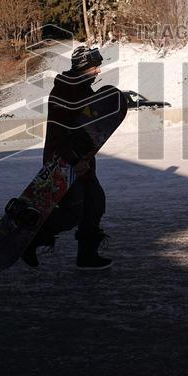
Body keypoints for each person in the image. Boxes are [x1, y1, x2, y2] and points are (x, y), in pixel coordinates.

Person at [22, 45, 113, 271]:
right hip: (62, 162)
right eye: (94, 67)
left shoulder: (81, 90)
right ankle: (32, 239)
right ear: (84, 68)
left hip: (82, 161)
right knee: (72, 211)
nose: (98, 72)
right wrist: (73, 159)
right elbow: (60, 132)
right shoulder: (64, 92)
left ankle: (87, 255)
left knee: (94, 203)